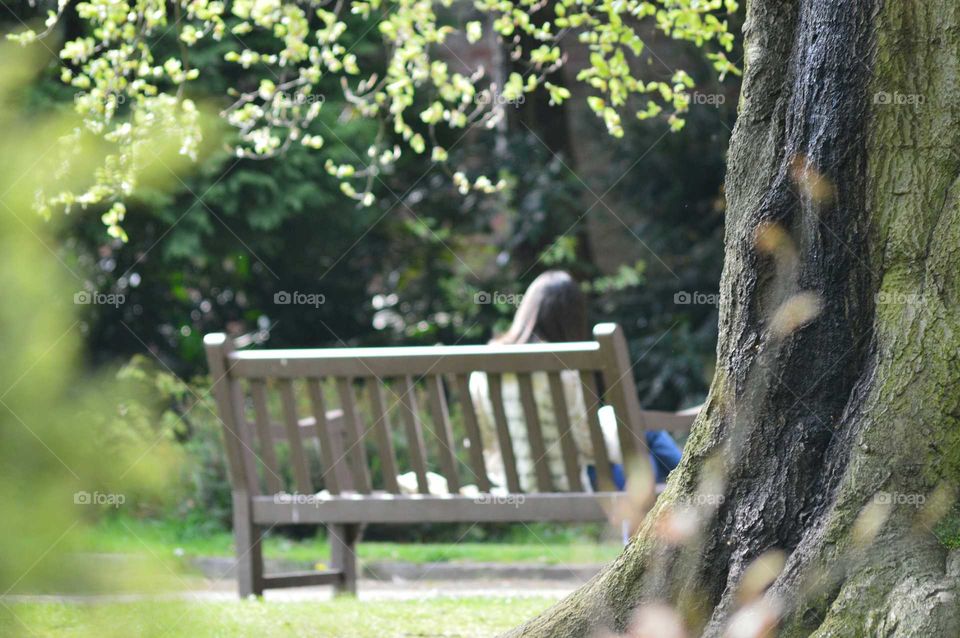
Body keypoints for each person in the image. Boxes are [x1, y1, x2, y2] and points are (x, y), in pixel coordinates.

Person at [469, 270, 683, 492]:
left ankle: (687, 499)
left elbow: (486, 442)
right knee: (646, 435)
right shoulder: (563, 372)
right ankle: (698, 493)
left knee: (636, 439)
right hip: (575, 483)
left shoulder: (484, 372)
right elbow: (590, 447)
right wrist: (616, 432)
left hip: (518, 485)